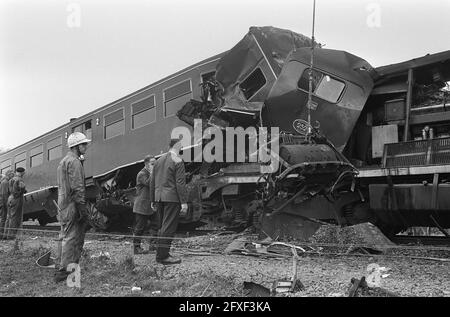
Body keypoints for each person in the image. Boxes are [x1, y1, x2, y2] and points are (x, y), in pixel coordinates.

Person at [54, 132, 91, 283]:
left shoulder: (63, 161)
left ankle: (60, 267)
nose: (86, 146)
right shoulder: (74, 162)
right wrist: (82, 207)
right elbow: (77, 187)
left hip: (63, 204)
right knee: (72, 237)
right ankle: (65, 272)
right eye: (83, 144)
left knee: (64, 235)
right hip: (72, 204)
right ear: (76, 146)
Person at [150, 138, 188, 265]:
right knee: (168, 227)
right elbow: (180, 183)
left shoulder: (158, 160)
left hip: (159, 197)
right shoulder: (178, 160)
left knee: (161, 227)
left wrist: (152, 199)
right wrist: (184, 202)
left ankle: (161, 254)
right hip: (171, 198)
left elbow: (152, 181)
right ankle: (163, 257)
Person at [132, 155, 156, 254]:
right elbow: (149, 183)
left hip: (150, 205)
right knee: (140, 227)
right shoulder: (141, 174)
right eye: (152, 164)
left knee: (156, 225)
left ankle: (153, 245)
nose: (155, 165)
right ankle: (136, 248)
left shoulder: (151, 173)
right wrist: (152, 171)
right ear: (146, 164)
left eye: (155, 163)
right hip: (142, 206)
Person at [4, 167, 27, 240]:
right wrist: (23, 190)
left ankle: (5, 234)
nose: (24, 174)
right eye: (24, 172)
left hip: (10, 198)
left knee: (8, 217)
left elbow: (10, 190)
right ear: (22, 172)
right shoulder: (19, 180)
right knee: (15, 218)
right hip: (16, 199)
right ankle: (11, 236)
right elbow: (21, 189)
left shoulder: (11, 179)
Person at [0, 170, 14, 239]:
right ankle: (4, 235)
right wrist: (8, 204)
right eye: (12, 174)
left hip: (3, 202)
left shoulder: (3, 182)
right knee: (6, 218)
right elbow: (5, 194)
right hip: (5, 202)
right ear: (9, 174)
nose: (13, 175)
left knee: (3, 218)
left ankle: (2, 234)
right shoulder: (5, 182)